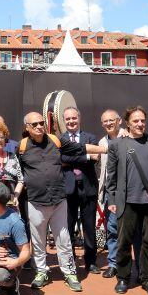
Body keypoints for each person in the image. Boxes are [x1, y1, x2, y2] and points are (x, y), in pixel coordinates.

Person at [18, 111, 106, 292]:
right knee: (38, 240)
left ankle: (69, 273)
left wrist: (107, 149)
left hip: (58, 200)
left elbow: (81, 148)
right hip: (36, 201)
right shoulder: (22, 147)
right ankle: (41, 272)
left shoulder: (55, 141)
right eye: (34, 124)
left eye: (41, 123)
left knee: (64, 238)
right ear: (27, 127)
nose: (39, 126)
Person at [106, 106, 148, 295]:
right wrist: (112, 199)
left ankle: (147, 279)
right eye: (135, 121)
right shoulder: (117, 145)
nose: (140, 124)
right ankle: (123, 278)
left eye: (142, 120)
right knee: (124, 242)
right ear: (127, 123)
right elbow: (112, 175)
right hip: (126, 201)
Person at [59, 107, 101, 274]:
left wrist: (76, 159)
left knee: (89, 227)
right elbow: (61, 159)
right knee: (67, 228)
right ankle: (71, 260)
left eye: (74, 118)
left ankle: (90, 261)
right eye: (68, 119)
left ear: (79, 118)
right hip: (68, 189)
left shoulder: (90, 137)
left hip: (88, 188)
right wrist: (86, 156)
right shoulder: (60, 139)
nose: (71, 121)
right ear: (64, 121)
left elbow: (95, 158)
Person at [97, 109, 135, 279]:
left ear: (119, 121)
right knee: (112, 229)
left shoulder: (128, 137)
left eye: (111, 120)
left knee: (131, 231)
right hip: (110, 193)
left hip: (129, 192)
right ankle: (113, 264)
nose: (108, 123)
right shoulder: (101, 142)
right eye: (105, 121)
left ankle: (130, 263)